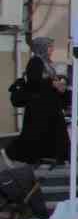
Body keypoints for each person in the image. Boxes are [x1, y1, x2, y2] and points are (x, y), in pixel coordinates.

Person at [11, 36, 71, 165]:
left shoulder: (46, 63)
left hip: (48, 106)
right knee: (36, 134)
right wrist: (52, 83)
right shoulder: (36, 62)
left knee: (51, 133)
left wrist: (59, 86)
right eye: (50, 47)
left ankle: (54, 157)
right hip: (39, 107)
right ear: (42, 47)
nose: (52, 49)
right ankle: (18, 153)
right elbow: (34, 82)